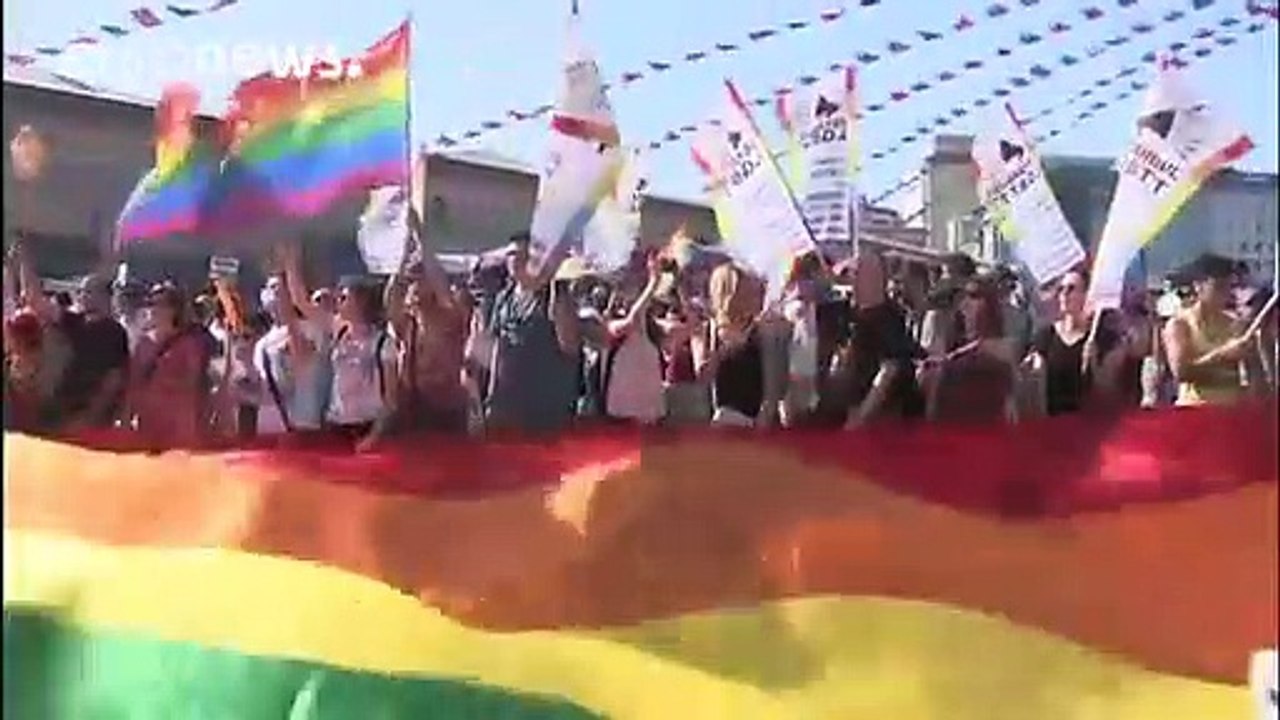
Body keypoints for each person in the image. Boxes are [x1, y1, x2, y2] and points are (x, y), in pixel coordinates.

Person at [485, 233, 581, 436]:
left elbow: (570, 346)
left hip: (544, 410)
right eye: (511, 254)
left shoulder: (554, 297)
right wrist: (491, 396)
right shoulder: (504, 298)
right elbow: (497, 349)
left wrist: (559, 297)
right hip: (506, 408)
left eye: (523, 255)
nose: (515, 260)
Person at [385, 211, 472, 435]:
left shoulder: (449, 315)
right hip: (412, 407)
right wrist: (406, 250)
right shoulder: (409, 323)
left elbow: (442, 287)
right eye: (410, 280)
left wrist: (422, 239)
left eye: (418, 279)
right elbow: (392, 299)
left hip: (445, 412)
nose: (412, 286)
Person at [831, 251, 924, 428]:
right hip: (851, 407)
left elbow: (891, 368)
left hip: (882, 417)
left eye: (861, 273)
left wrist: (863, 414)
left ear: (879, 279)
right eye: (854, 273)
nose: (855, 279)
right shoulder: (852, 315)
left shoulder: (887, 318)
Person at [1023, 269, 1125, 416]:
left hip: (1090, 424)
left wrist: (1095, 363)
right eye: (1061, 289)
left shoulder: (1102, 339)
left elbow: (1109, 392)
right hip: (1052, 423)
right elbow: (1032, 382)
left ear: (1086, 295)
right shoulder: (1046, 335)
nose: (1064, 294)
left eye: (1071, 289)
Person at [126, 284, 217, 448]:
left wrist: (166, 384)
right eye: (150, 302)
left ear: (174, 309)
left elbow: (193, 382)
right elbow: (133, 382)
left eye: (159, 303)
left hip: (178, 423)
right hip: (147, 421)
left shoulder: (189, 343)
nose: (153, 308)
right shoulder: (142, 343)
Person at [1163, 254, 1260, 407]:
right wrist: (1222, 355)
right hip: (1195, 410)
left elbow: (1255, 374)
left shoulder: (1236, 325)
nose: (1226, 293)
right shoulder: (1180, 324)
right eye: (1219, 286)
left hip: (1231, 412)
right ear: (1198, 286)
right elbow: (1181, 372)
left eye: (1230, 286)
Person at [925, 275, 1018, 424]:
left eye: (974, 297)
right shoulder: (949, 363)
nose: (965, 306)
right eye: (965, 298)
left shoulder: (1002, 356)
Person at [252, 269, 329, 439]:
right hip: (272, 427)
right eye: (270, 288)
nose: (274, 293)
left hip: (307, 425)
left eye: (279, 288)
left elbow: (302, 359)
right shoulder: (262, 344)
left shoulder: (310, 329)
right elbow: (263, 388)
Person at [693, 263, 767, 427]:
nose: (753, 297)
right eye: (746, 292)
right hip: (725, 418)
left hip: (757, 419)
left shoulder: (759, 330)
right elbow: (703, 376)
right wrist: (721, 350)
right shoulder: (708, 330)